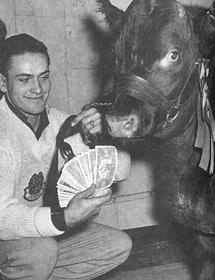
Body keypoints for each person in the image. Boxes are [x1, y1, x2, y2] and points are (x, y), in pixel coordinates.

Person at [0, 30, 132, 280]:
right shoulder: (3, 135)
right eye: (24, 79)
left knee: (116, 246)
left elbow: (122, 170)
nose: (37, 89)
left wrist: (103, 135)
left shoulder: (57, 121)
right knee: (41, 253)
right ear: (3, 83)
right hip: (7, 240)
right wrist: (62, 220)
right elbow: (2, 218)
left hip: (37, 239)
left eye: (44, 77)